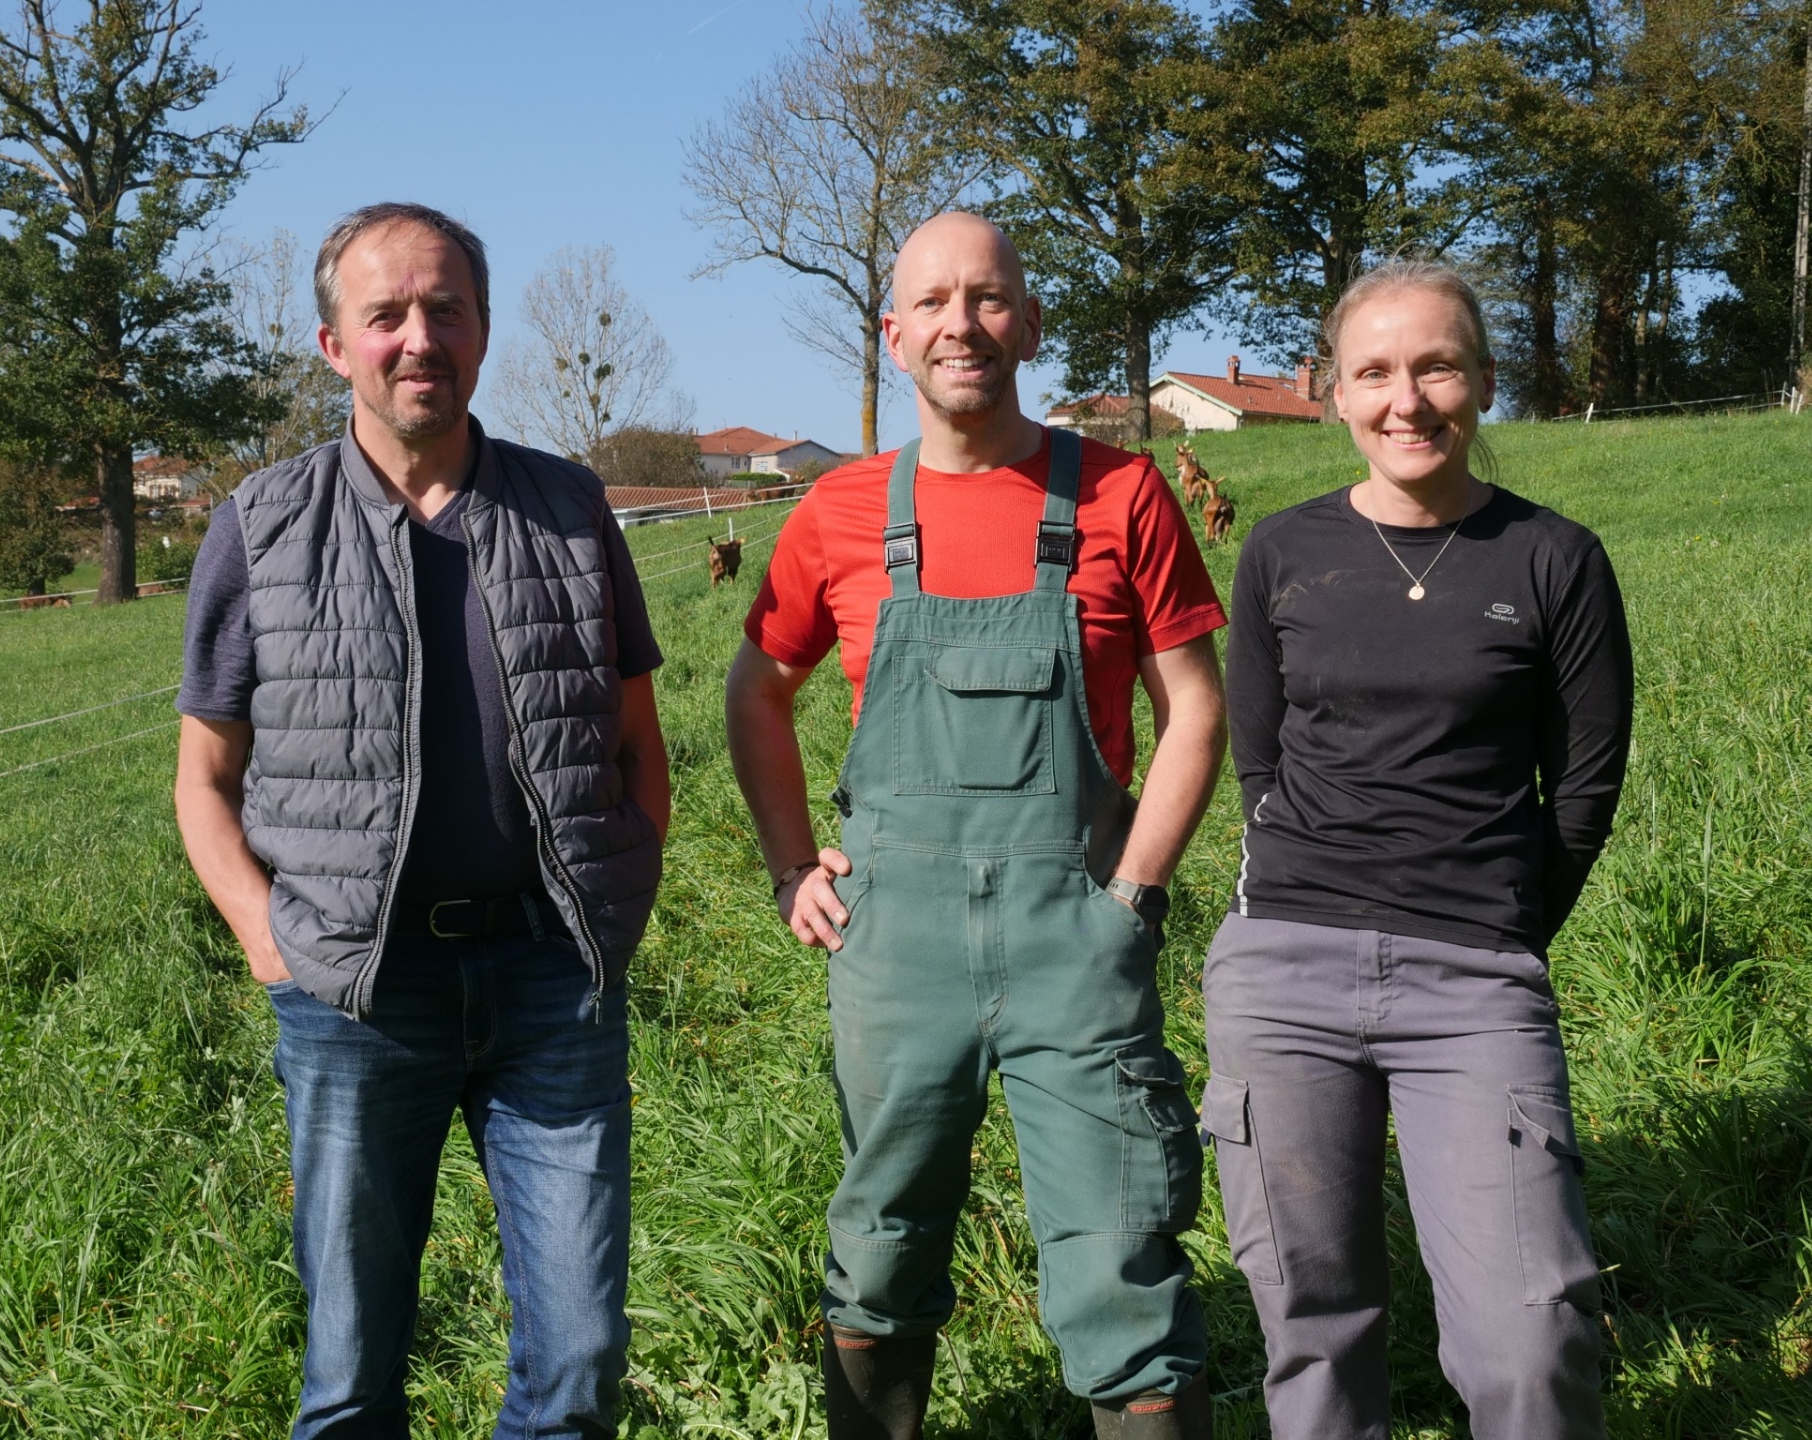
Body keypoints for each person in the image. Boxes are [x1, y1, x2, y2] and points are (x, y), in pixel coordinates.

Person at [726, 212, 1229, 1439]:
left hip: (1079, 939)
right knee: (882, 1237)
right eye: (936, 303)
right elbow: (755, 688)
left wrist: (1136, 897)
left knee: (1122, 1253)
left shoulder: (1121, 493)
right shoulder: (838, 514)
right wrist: (795, 864)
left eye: (991, 298)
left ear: (1030, 323)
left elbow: (1198, 710)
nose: (965, 324)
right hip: (896, 946)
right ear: (893, 335)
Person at [172, 202, 669, 1439]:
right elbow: (202, 778)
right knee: (351, 1377)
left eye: (444, 309)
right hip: (353, 990)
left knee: (582, 1365)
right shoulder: (262, 526)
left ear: (485, 329)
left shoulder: (570, 509)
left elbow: (637, 743)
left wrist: (626, 895)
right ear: (333, 344)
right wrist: (265, 937)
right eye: (384, 313)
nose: (417, 338)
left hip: (550, 983)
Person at [1204, 260, 1632, 1439]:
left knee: (1532, 1339)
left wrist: (1497, 923)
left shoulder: (1555, 559)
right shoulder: (1282, 554)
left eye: (1436, 365)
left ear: (1483, 382)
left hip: (1475, 983)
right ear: (1333, 393)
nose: (1408, 398)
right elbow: (1259, 767)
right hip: (1284, 968)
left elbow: (1584, 785)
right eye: (1376, 372)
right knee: (1313, 1330)